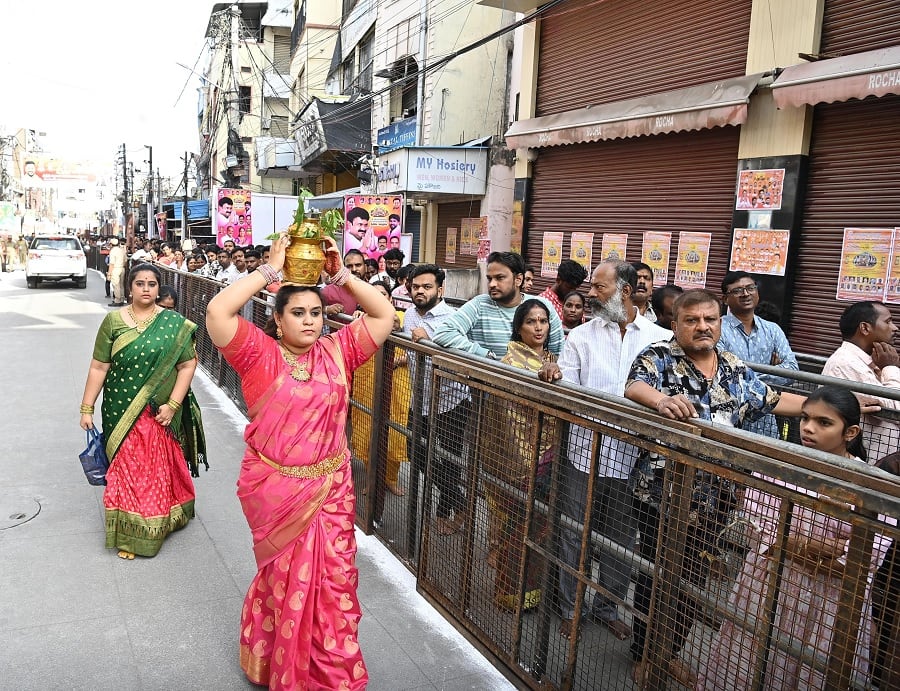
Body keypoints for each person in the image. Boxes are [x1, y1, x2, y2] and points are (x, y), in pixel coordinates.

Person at [205, 233, 394, 690]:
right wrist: (269, 271)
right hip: (277, 490)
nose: (310, 322)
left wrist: (341, 274)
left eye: (317, 313)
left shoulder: (339, 351)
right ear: (276, 319)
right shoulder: (258, 355)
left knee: (333, 584)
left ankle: (330, 673)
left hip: (331, 492)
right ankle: (281, 663)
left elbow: (384, 312)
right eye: (298, 313)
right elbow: (217, 312)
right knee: (284, 581)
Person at [624, 288, 809, 686]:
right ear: (675, 323)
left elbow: (773, 400)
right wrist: (661, 401)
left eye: (710, 319)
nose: (702, 326)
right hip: (661, 493)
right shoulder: (657, 358)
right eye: (691, 320)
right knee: (656, 576)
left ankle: (670, 651)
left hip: (716, 498)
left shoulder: (732, 365)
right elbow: (634, 387)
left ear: (720, 323)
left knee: (692, 579)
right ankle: (644, 651)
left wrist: (827, 407)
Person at [697, 386, 888, 690]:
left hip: (828, 602)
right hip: (767, 585)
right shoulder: (781, 464)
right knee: (751, 660)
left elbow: (864, 558)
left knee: (814, 667)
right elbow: (758, 528)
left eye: (824, 423)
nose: (809, 428)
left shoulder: (870, 484)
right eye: (805, 418)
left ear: (850, 432)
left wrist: (789, 542)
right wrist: (820, 547)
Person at [539, 260, 673, 642]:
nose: (591, 294)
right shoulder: (581, 337)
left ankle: (607, 607)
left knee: (620, 540)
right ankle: (570, 608)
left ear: (625, 291)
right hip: (584, 454)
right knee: (572, 534)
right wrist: (554, 376)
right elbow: (566, 385)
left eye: (599, 288)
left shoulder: (658, 339)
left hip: (635, 460)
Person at [79, 263, 207, 560]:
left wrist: (173, 404)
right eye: (140, 283)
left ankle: (152, 525)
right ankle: (131, 528)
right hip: (120, 408)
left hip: (157, 410)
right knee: (126, 468)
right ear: (130, 288)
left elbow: (187, 365)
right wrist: (87, 407)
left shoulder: (174, 322)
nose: (146, 288)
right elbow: (99, 366)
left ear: (159, 288)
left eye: (152, 284)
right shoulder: (113, 322)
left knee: (151, 468)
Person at [489, 299, 558, 611]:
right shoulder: (511, 362)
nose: (539, 327)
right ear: (518, 328)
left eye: (543, 321)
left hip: (549, 456)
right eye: (531, 322)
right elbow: (509, 416)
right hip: (518, 460)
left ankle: (532, 594)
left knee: (539, 526)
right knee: (517, 525)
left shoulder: (553, 359)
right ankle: (509, 594)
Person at [404, 264, 472, 537]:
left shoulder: (452, 320)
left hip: (451, 403)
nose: (420, 291)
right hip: (419, 400)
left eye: (427, 286)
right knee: (416, 453)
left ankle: (447, 513)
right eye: (416, 286)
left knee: (450, 460)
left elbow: (461, 363)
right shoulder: (409, 313)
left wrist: (430, 342)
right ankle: (462, 502)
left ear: (440, 290)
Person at [433, 251, 564, 361]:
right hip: (487, 387)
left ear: (518, 279)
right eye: (489, 279)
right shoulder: (479, 304)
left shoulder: (542, 306)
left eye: (500, 278)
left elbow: (558, 352)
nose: (492, 284)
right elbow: (443, 333)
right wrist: (483, 354)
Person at [718, 271, 799, 438]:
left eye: (750, 288)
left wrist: (743, 377)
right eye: (737, 290)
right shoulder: (717, 328)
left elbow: (791, 369)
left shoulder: (772, 330)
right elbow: (722, 373)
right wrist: (772, 370)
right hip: (727, 418)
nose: (745, 293)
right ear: (725, 299)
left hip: (765, 421)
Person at [822, 301, 900, 459]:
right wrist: (891, 368)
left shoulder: (871, 362)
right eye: (888, 321)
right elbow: (896, 408)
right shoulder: (845, 364)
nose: (895, 328)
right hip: (866, 464)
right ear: (865, 328)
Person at [107, 237, 127, 306]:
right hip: (122, 268)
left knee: (116, 285)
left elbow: (112, 264)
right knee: (121, 285)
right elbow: (125, 261)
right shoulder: (121, 250)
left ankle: (117, 300)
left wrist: (109, 273)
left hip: (116, 269)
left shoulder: (112, 251)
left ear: (111, 244)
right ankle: (122, 299)